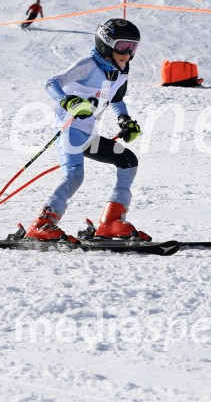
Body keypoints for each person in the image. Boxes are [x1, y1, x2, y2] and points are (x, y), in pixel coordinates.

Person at [23, 18, 147, 243]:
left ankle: (110, 222)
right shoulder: (88, 64)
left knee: (128, 161)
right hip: (68, 128)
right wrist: (67, 101)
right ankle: (41, 224)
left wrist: (124, 120)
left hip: (88, 134)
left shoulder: (120, 74)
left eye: (132, 47)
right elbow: (52, 83)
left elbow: (116, 98)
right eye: (122, 46)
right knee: (75, 174)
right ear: (105, 45)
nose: (127, 53)